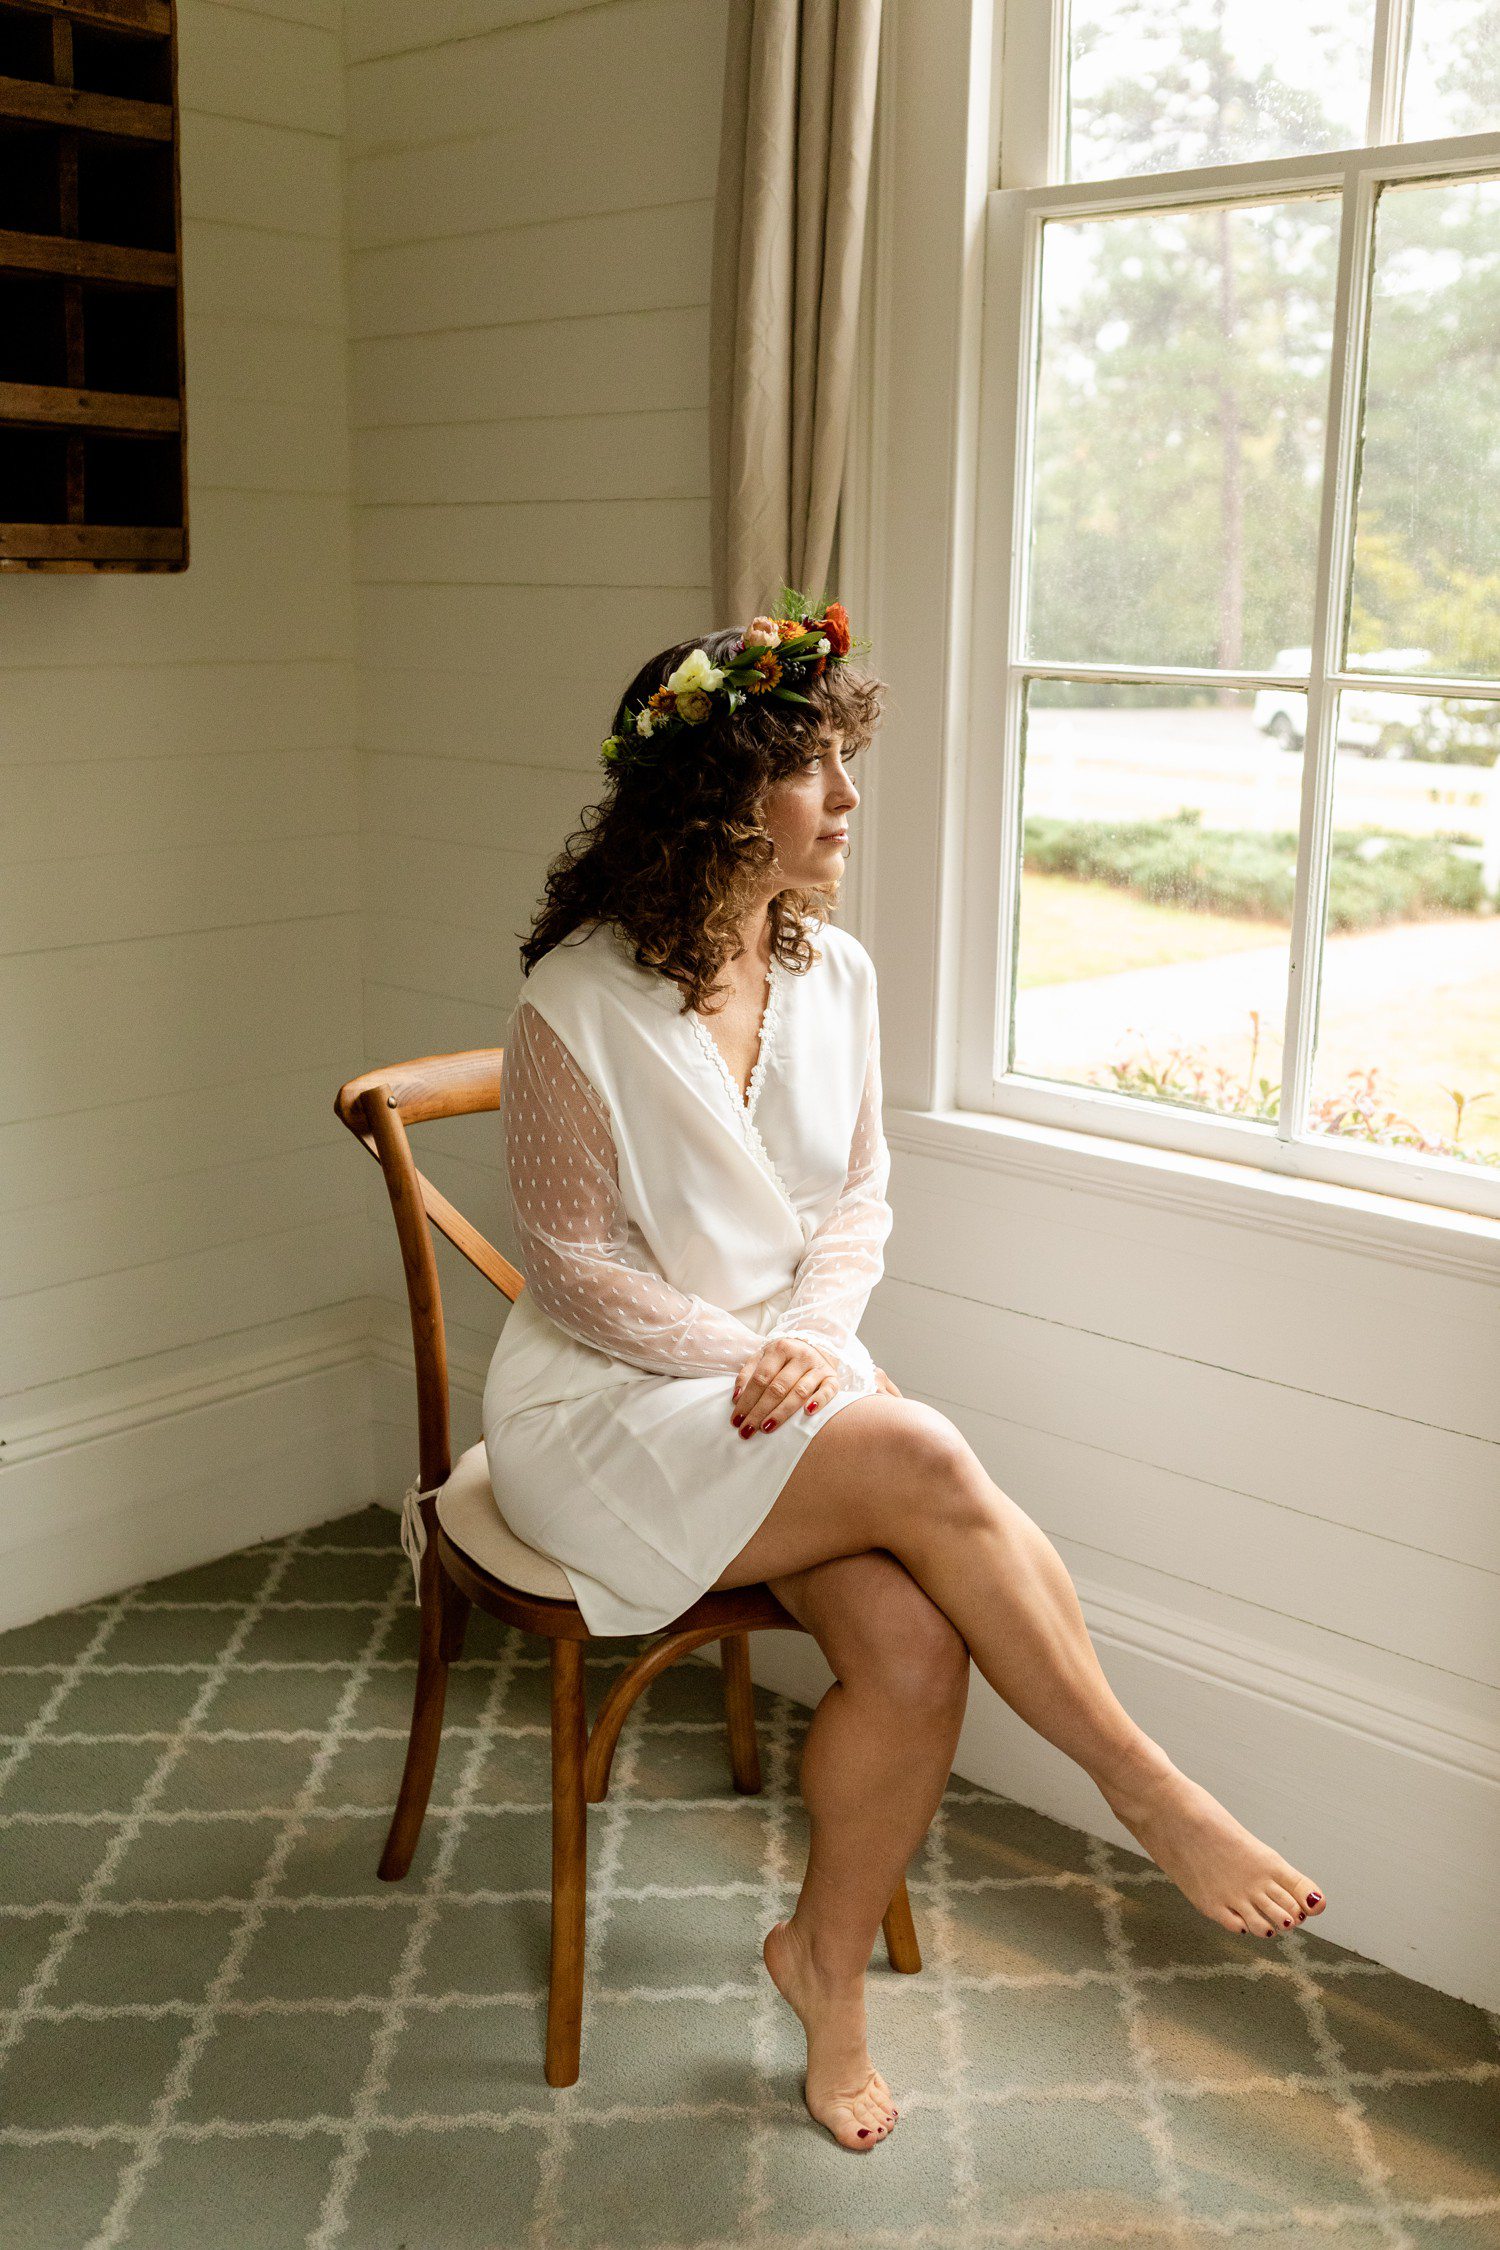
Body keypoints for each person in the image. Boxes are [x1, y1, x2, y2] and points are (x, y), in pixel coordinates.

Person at [482, 591, 1326, 2155]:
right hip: (607, 1402)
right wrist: (766, 1353)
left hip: (792, 1387)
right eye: (819, 772)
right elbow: (578, 1268)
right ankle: (1150, 1791)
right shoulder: (575, 999)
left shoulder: (839, 977)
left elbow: (859, 1198)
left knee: (919, 1648)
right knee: (926, 1454)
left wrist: (808, 1346)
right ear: (722, 792)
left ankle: (824, 1968)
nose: (851, 802)